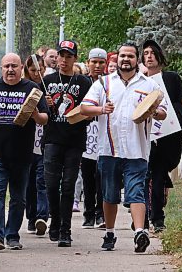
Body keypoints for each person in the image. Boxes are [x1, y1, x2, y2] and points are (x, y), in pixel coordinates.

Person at [80, 43, 167, 253]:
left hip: (137, 150)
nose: (125, 59)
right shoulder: (103, 83)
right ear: (117, 59)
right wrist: (101, 109)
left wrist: (154, 112)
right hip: (109, 150)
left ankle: (139, 232)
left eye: (130, 56)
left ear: (137, 60)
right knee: (109, 195)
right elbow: (84, 108)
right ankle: (109, 232)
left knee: (136, 192)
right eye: (122, 56)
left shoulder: (149, 85)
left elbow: (163, 112)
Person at [0, 53, 49, 250]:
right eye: (6, 66)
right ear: (1, 68)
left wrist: (34, 115)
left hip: (22, 154)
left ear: (21, 67)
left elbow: (45, 118)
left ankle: (12, 235)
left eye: (14, 66)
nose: (10, 70)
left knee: (18, 197)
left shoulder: (32, 88)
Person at [42, 40, 92, 247]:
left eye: (68, 56)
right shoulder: (47, 80)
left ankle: (65, 229)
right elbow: (39, 111)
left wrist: (79, 111)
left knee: (69, 185)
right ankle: (55, 219)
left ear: (75, 59)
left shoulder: (84, 82)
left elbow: (90, 112)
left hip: (74, 140)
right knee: (52, 184)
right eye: (61, 55)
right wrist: (46, 102)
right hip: (52, 139)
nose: (64, 60)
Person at [142, 39, 182, 233]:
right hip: (145, 135)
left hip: (168, 133)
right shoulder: (139, 81)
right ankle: (143, 216)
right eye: (145, 53)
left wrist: (169, 115)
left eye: (153, 52)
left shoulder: (171, 78)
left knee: (160, 174)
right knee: (144, 175)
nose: (149, 56)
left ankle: (157, 218)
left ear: (159, 56)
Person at [23, 54, 49, 236]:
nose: (36, 74)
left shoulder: (47, 87)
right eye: (33, 71)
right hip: (27, 142)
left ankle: (42, 216)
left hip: (44, 141)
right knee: (29, 182)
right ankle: (31, 217)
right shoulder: (24, 87)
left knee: (42, 179)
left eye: (40, 70)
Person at [81, 48, 106, 229]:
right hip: (85, 132)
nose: (97, 66)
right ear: (88, 62)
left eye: (101, 62)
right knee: (88, 175)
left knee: (102, 174)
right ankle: (88, 213)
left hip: (104, 131)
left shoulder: (108, 83)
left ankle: (100, 213)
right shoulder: (82, 82)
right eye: (94, 62)